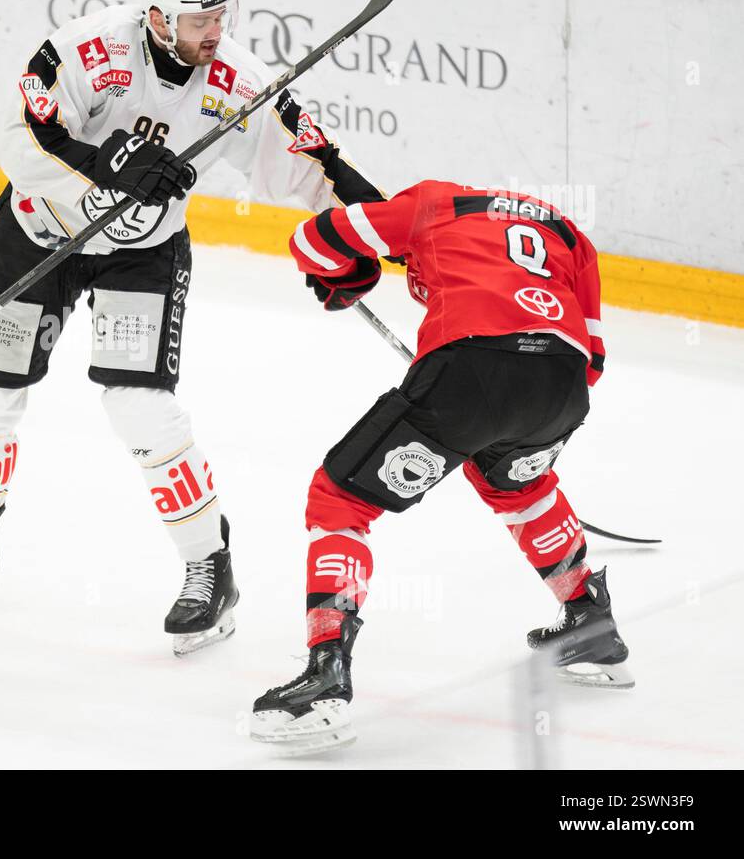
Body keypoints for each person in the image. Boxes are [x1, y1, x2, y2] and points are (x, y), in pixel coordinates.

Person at [0, 0, 385, 656]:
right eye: (197, 20)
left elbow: (305, 164)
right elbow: (20, 140)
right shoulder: (83, 52)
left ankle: (210, 568)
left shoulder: (236, 80)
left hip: (141, 254)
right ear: (155, 17)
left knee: (137, 403)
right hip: (37, 231)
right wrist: (105, 166)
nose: (214, 33)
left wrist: (367, 228)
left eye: (222, 16)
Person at [248, 180, 632, 753]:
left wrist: (350, 277)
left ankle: (325, 676)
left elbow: (311, 240)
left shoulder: (431, 202)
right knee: (517, 485)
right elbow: (594, 357)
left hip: (469, 372)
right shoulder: (565, 229)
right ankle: (590, 622)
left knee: (340, 500)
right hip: (563, 384)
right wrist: (511, 398)